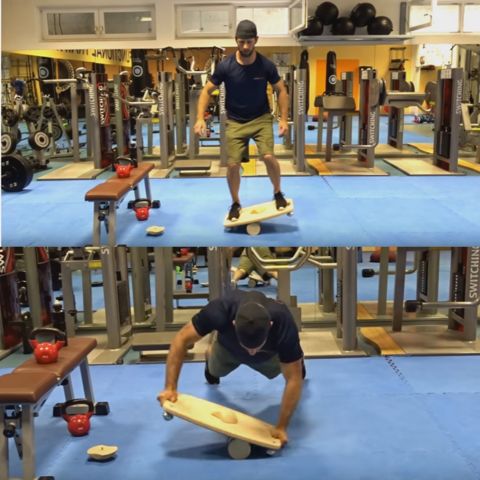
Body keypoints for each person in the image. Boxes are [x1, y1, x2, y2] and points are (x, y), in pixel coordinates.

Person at [157, 290, 305, 446]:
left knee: (294, 371)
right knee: (215, 371)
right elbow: (181, 338)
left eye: (255, 347)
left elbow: (293, 378)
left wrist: (281, 427)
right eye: (247, 347)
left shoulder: (283, 321)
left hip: (269, 356)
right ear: (234, 323)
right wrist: (170, 387)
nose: (252, 352)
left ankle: (296, 358)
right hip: (228, 349)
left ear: (270, 325)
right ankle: (211, 353)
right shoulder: (220, 309)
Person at [193, 20, 290, 221]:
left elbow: (281, 89)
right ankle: (236, 203)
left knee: (269, 157)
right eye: (241, 42)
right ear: (236, 40)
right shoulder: (225, 66)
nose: (245, 46)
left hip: (261, 117)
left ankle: (278, 192)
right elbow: (206, 91)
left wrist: (284, 119)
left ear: (256, 40)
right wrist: (199, 118)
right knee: (233, 165)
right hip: (235, 121)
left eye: (249, 42)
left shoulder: (266, 65)